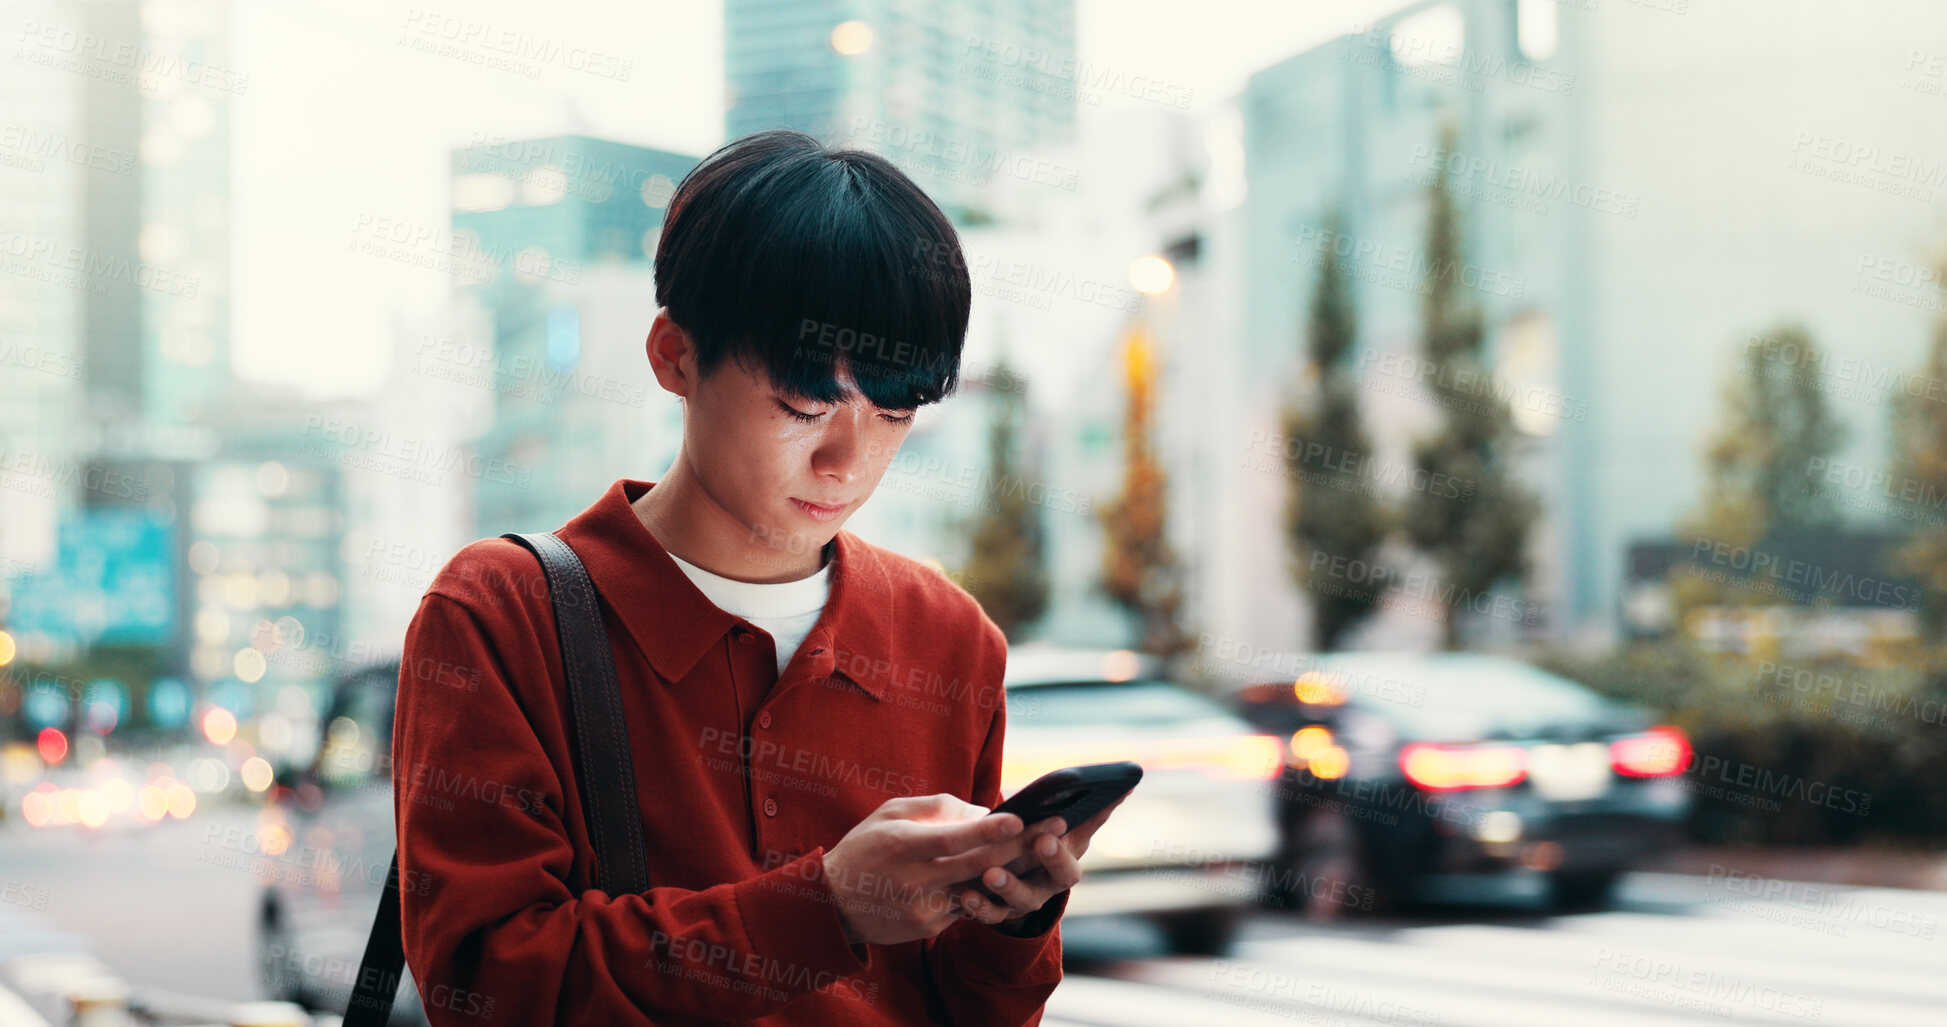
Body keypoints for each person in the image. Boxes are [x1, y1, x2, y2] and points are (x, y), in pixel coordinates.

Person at [391, 129, 1122, 1025]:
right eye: (802, 405)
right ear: (674, 356)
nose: (846, 460)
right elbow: (488, 987)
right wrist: (825, 910)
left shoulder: (947, 636)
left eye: (893, 414)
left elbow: (974, 1010)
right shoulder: (504, 613)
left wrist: (1013, 920)